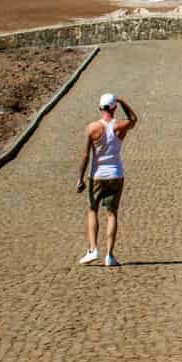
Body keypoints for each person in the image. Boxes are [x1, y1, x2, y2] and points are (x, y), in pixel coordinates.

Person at [76, 91, 138, 267]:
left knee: (92, 210)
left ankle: (93, 249)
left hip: (96, 175)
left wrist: (80, 178)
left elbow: (85, 155)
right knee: (112, 213)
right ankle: (109, 255)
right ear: (114, 108)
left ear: (100, 107)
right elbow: (134, 119)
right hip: (116, 174)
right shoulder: (120, 126)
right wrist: (123, 101)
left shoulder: (92, 128)